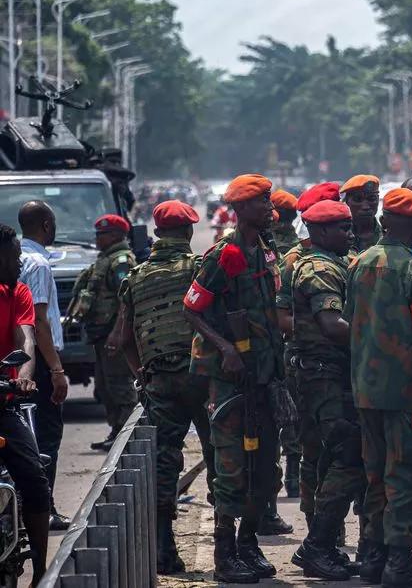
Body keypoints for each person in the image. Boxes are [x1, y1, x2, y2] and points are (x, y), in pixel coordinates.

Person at [183, 174, 284, 583]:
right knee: (231, 467)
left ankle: (248, 543)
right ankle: (225, 555)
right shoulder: (224, 255)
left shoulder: (264, 248)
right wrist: (225, 347)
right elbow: (192, 309)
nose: (269, 207)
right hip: (231, 381)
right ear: (242, 209)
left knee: (264, 466)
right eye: (262, 202)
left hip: (262, 375)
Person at [346, 187, 412, 587]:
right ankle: (400, 563)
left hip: (366, 390)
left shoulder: (361, 262)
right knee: (405, 476)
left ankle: (372, 558)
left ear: (385, 220)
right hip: (408, 392)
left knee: (375, 475)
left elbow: (351, 319)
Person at [108, 200, 215, 575]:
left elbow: (121, 338)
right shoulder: (199, 268)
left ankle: (164, 550)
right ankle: (231, 548)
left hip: (161, 383)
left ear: (156, 234)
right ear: (187, 233)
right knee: (221, 455)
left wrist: (143, 374)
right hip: (204, 379)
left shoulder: (134, 277)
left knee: (164, 463)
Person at [288, 199, 363, 580]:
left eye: (349, 227)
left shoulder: (335, 262)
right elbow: (334, 325)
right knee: (348, 455)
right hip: (324, 376)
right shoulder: (318, 268)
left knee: (329, 460)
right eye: (341, 228)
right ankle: (316, 546)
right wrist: (377, 341)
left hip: (330, 374)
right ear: (319, 232)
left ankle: (325, 544)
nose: (349, 235)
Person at [280, 182, 342, 542]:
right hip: (312, 364)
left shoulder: (346, 254)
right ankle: (318, 529)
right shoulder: (296, 261)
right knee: (314, 449)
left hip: (342, 364)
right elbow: (282, 317)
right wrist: (316, 328)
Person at [0, 224, 52, 584]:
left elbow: (27, 338)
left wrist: (25, 375)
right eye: (13, 256)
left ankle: (40, 568)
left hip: (2, 403)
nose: (20, 262)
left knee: (34, 479)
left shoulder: (17, 291)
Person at [16, 201, 70, 530]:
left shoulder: (13, 257)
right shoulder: (37, 263)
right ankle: (43, 507)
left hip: (13, 360)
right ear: (47, 226)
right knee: (46, 437)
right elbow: (38, 322)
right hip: (36, 364)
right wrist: (56, 369)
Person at [66, 214, 137, 451]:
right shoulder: (105, 259)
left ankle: (128, 437)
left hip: (113, 335)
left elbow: (126, 301)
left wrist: (118, 334)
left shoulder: (121, 261)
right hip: (101, 335)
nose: (97, 238)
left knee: (119, 387)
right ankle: (117, 432)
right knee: (105, 388)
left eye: (102, 234)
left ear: (117, 235)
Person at [269, 188, 303, 501]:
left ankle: (274, 481)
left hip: (265, 342)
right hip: (293, 339)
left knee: (267, 416)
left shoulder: (260, 246)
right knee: (292, 411)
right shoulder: (298, 251)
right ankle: (294, 475)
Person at [342, 175, 383, 253]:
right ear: (347, 202)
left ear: (378, 200)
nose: (366, 206)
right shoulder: (338, 239)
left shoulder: (388, 238)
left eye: (372, 199)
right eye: (358, 199)